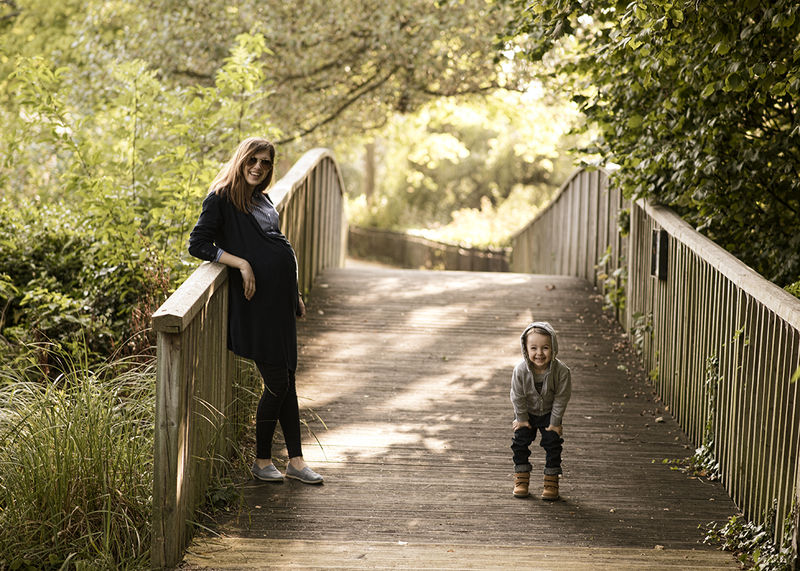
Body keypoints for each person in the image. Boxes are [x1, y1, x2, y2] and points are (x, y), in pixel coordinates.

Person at [188, 137, 323, 485]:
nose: (258, 167)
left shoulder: (262, 199)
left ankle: (296, 461)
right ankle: (262, 460)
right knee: (277, 383)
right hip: (257, 305)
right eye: (253, 160)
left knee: (287, 379)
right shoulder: (221, 198)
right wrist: (241, 263)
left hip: (280, 302)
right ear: (241, 160)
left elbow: (277, 243)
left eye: (265, 162)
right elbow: (198, 243)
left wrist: (294, 292)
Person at [510, 321, 571, 500]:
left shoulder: (562, 372)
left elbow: (561, 398)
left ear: (553, 348)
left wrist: (555, 422)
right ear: (525, 349)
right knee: (520, 443)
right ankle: (521, 479)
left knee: (553, 444)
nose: (539, 353)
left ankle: (551, 482)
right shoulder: (520, 370)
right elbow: (517, 396)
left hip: (549, 413)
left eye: (545, 348)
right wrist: (521, 418)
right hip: (526, 413)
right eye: (534, 348)